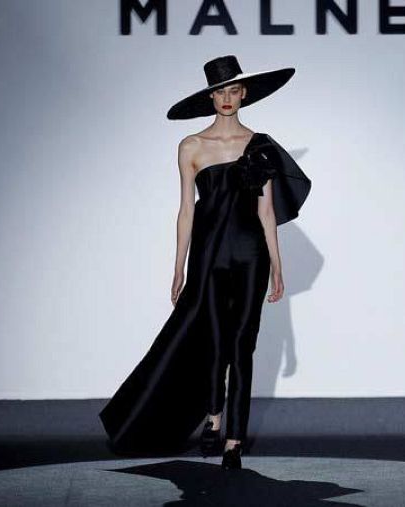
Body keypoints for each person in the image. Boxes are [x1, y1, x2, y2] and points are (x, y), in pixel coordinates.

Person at [98, 55, 311, 470]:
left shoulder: (260, 145)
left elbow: (266, 210)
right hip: (209, 255)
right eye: (220, 91)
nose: (227, 98)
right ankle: (213, 415)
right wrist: (178, 266)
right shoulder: (191, 146)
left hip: (250, 254)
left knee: (243, 344)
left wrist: (277, 265)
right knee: (213, 340)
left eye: (234, 90)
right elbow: (186, 210)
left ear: (244, 94)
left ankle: (234, 439)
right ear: (210, 97)